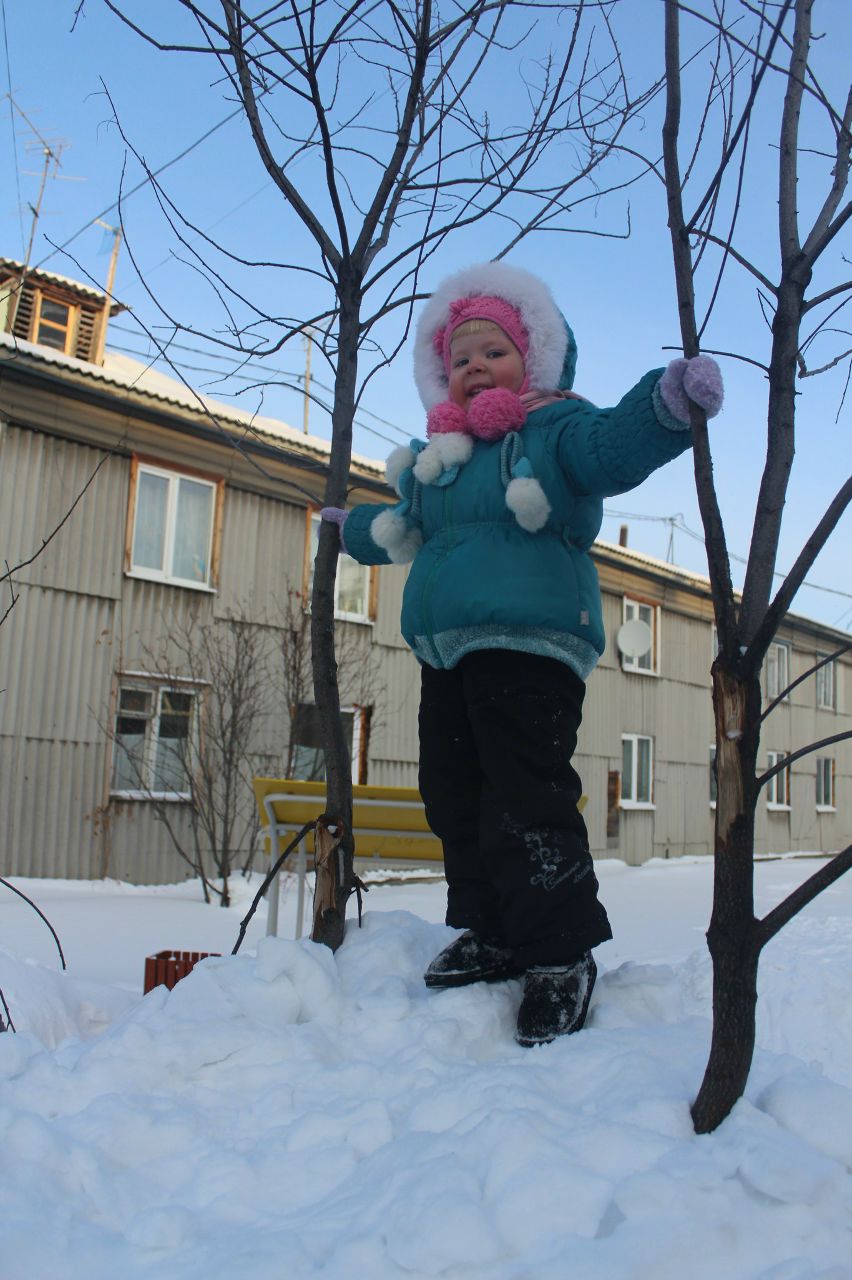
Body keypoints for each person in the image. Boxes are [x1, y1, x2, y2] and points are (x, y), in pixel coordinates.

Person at [321, 262, 723, 1046]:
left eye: (493, 352)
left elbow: (611, 448)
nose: (474, 367)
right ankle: (492, 929)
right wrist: (349, 529)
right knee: (453, 793)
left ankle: (559, 950)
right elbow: (403, 524)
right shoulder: (443, 459)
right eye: (459, 358)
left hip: (531, 643)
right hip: (449, 652)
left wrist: (664, 405)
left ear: (532, 359)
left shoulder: (553, 430)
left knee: (523, 795)